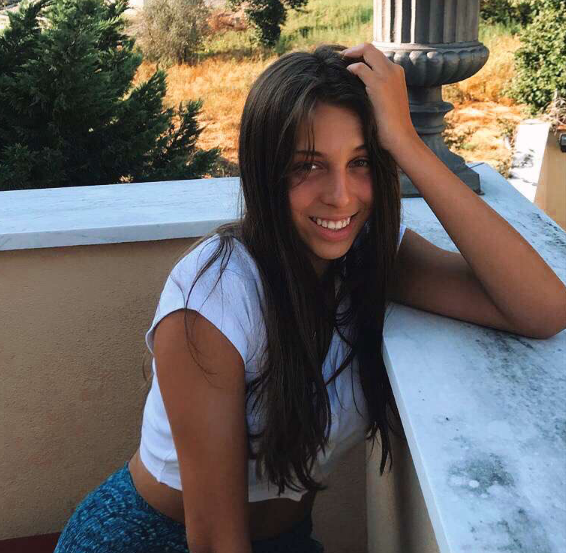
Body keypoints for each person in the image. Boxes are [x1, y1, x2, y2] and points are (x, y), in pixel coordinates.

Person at [54, 43, 566, 553]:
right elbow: (214, 541)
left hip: (288, 538)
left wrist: (408, 144)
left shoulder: (368, 258)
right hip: (149, 540)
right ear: (266, 173)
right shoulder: (211, 299)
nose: (340, 196)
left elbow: (542, 309)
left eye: (361, 161)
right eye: (309, 165)